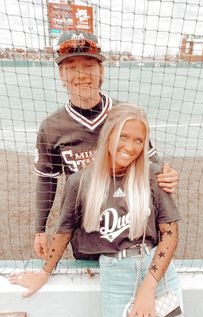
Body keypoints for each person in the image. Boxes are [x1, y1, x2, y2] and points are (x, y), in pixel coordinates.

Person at [10, 103, 184, 317]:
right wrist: (44, 272)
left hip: (158, 275)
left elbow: (170, 234)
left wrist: (148, 288)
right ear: (108, 134)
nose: (130, 147)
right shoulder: (79, 182)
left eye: (138, 140)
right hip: (114, 276)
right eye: (123, 136)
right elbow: (63, 232)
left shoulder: (152, 176)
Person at [33, 30, 179, 260]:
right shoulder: (52, 127)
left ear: (102, 71)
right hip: (87, 234)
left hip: (134, 230)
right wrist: (39, 229)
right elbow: (46, 180)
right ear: (61, 75)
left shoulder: (125, 115)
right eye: (71, 67)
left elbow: (151, 163)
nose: (81, 74)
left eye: (89, 66)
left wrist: (166, 174)